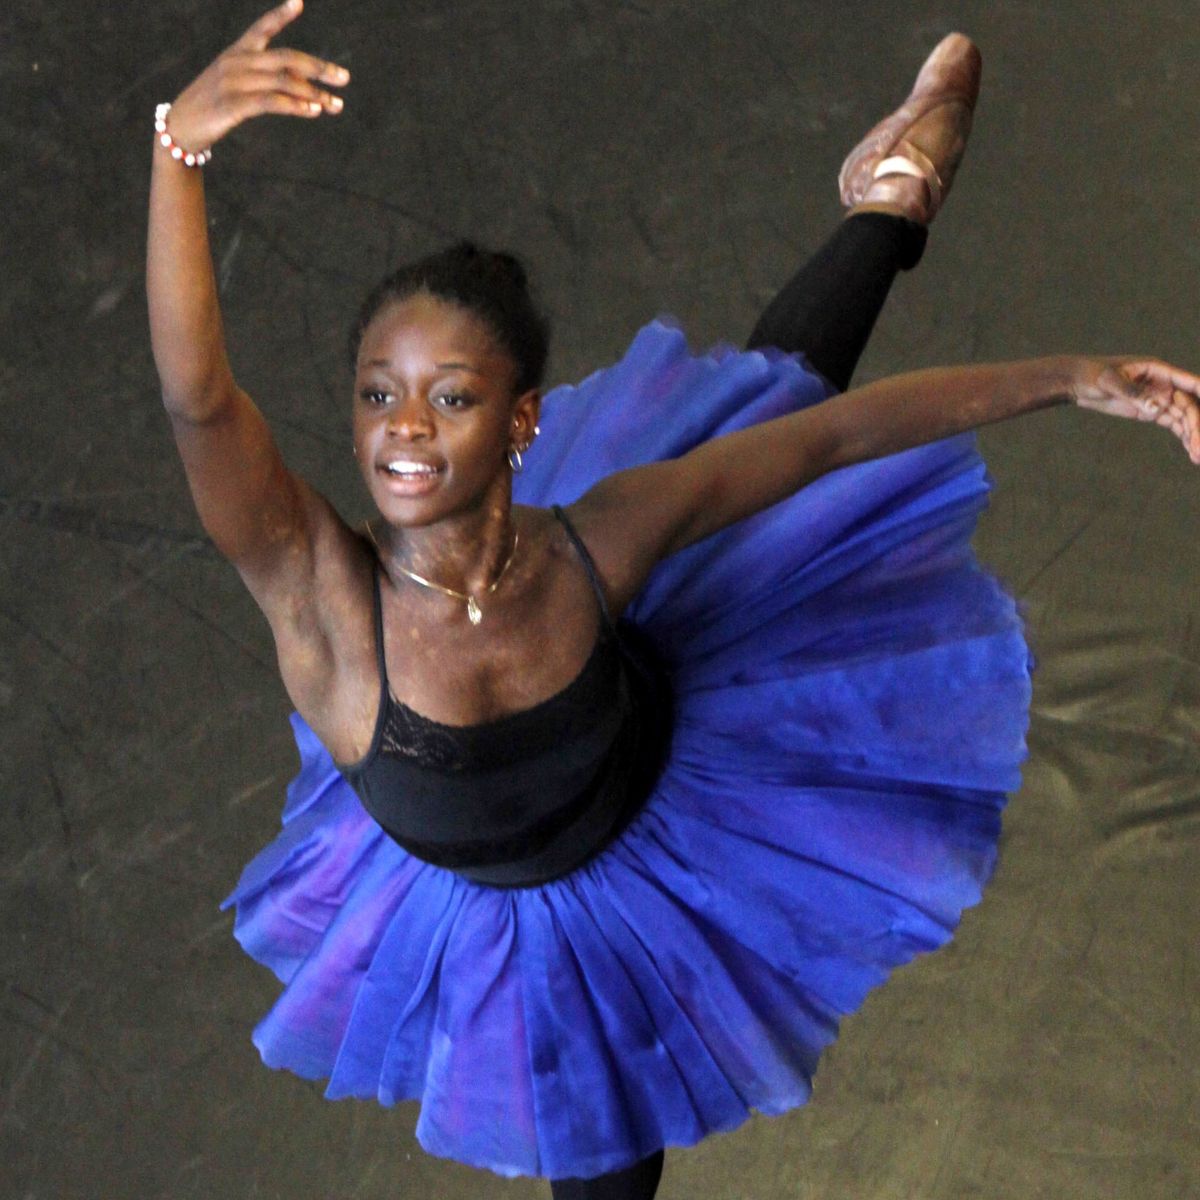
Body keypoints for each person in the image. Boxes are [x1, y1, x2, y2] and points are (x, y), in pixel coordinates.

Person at [146, 2, 1200, 1197]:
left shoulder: (601, 542)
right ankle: (884, 204)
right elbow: (200, 404)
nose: (404, 430)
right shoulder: (323, 607)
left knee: (775, 425)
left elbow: (834, 441)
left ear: (522, 424)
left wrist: (1083, 378)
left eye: (450, 398)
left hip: (676, 771)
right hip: (537, 927)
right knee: (603, 1149)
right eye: (379, 394)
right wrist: (178, 151)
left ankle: (888, 205)